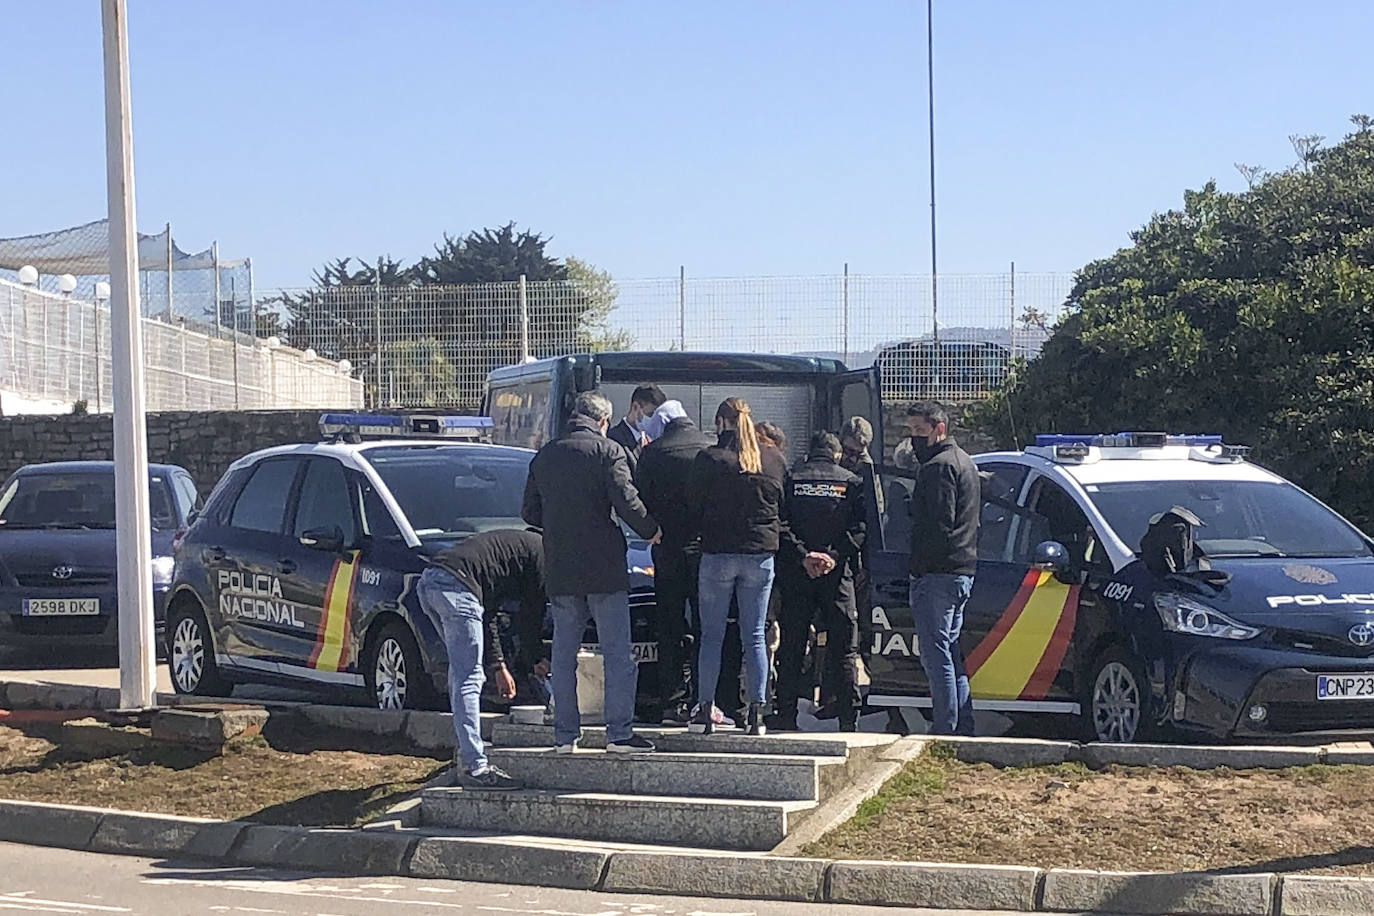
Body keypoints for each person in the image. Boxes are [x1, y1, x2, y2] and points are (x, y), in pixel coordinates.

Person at [522, 391, 662, 754]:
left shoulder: (546, 455)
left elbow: (529, 513)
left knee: (563, 656)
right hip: (604, 568)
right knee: (616, 654)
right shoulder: (608, 451)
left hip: (562, 568)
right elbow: (625, 499)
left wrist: (559, 522)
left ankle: (565, 736)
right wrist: (650, 530)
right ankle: (619, 734)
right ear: (602, 421)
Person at [686, 397, 786, 735]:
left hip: (717, 554)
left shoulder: (710, 459)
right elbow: (781, 506)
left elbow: (693, 504)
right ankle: (757, 713)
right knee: (755, 635)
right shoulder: (773, 459)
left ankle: (705, 711)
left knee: (711, 636)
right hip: (760, 556)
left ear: (720, 422)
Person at [418, 528, 547, 790]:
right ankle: (475, 767)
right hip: (458, 588)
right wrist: (535, 658)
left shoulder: (513, 549)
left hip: (430, 580)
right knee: (469, 678)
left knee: (461, 673)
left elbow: (486, 614)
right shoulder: (544, 556)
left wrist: (498, 665)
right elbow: (530, 616)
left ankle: (466, 753)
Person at [772, 432, 867, 732]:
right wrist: (834, 557)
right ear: (837, 455)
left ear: (809, 453)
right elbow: (861, 529)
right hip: (837, 576)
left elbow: (780, 524)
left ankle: (786, 715)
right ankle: (849, 719)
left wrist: (804, 556)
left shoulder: (791, 479)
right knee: (844, 648)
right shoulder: (851, 482)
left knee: (792, 645)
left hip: (798, 574)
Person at [635, 399, 713, 723]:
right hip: (704, 549)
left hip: (666, 548)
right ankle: (704, 697)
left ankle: (671, 698)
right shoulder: (708, 448)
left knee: (668, 624)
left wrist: (654, 529)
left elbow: (640, 498)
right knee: (705, 624)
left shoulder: (653, 453)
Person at [906, 402, 980, 736]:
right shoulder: (965, 462)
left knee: (936, 656)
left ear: (939, 428)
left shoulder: (938, 467)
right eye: (910, 431)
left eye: (919, 431)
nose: (913, 439)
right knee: (949, 652)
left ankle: (945, 728)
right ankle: (961, 724)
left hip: (938, 572)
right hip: (961, 569)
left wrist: (918, 567)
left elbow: (937, 525)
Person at [607, 384, 667, 472]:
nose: (655, 421)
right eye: (650, 415)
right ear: (635, 407)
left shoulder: (654, 440)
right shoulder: (613, 440)